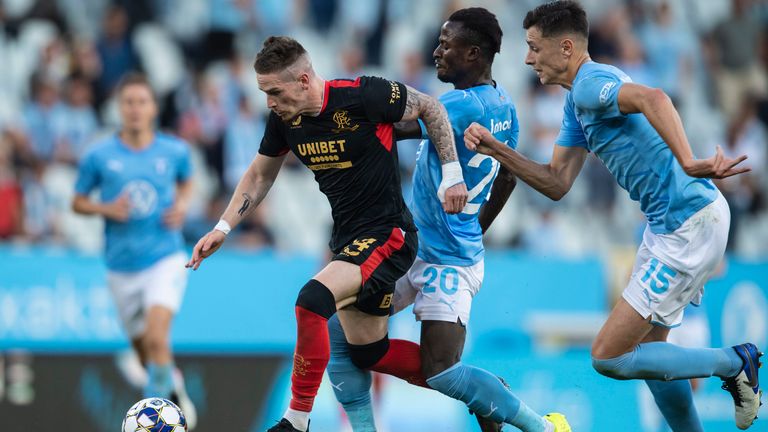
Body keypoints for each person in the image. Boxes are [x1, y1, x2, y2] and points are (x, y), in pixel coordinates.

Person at [464, 1, 761, 431]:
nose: (527, 59)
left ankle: (735, 361)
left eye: (533, 47)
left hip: (688, 221)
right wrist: (497, 149)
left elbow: (653, 97)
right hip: (669, 225)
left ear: (566, 48)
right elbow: (556, 182)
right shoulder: (575, 106)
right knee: (653, 356)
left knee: (608, 355)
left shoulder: (589, 84)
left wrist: (689, 160)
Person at [185, 36, 469, 432]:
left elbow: (431, 107)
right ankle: (477, 390)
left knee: (311, 301)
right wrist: (223, 226)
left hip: (390, 234)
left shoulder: (363, 95)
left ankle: (296, 419)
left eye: (274, 92)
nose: (268, 102)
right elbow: (259, 174)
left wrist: (453, 174)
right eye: (264, 93)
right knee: (370, 352)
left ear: (303, 80)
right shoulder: (285, 121)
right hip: (347, 240)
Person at [326, 8, 571, 432]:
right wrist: (477, 229)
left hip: (445, 261)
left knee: (440, 369)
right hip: (423, 250)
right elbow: (508, 178)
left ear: (473, 53)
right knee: (342, 324)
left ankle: (542, 426)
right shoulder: (505, 106)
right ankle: (482, 391)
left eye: (446, 44)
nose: (436, 51)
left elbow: (391, 127)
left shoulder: (456, 104)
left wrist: (330, 118)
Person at [72, 73, 197, 428]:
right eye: (128, 102)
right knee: (147, 354)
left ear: (153, 108)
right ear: (119, 108)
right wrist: (105, 209)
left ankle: (155, 421)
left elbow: (188, 180)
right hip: (120, 267)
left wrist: (183, 204)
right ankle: (172, 387)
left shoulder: (173, 151)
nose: (135, 109)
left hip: (164, 257)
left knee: (159, 337)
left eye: (142, 102)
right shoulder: (99, 156)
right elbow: (77, 202)